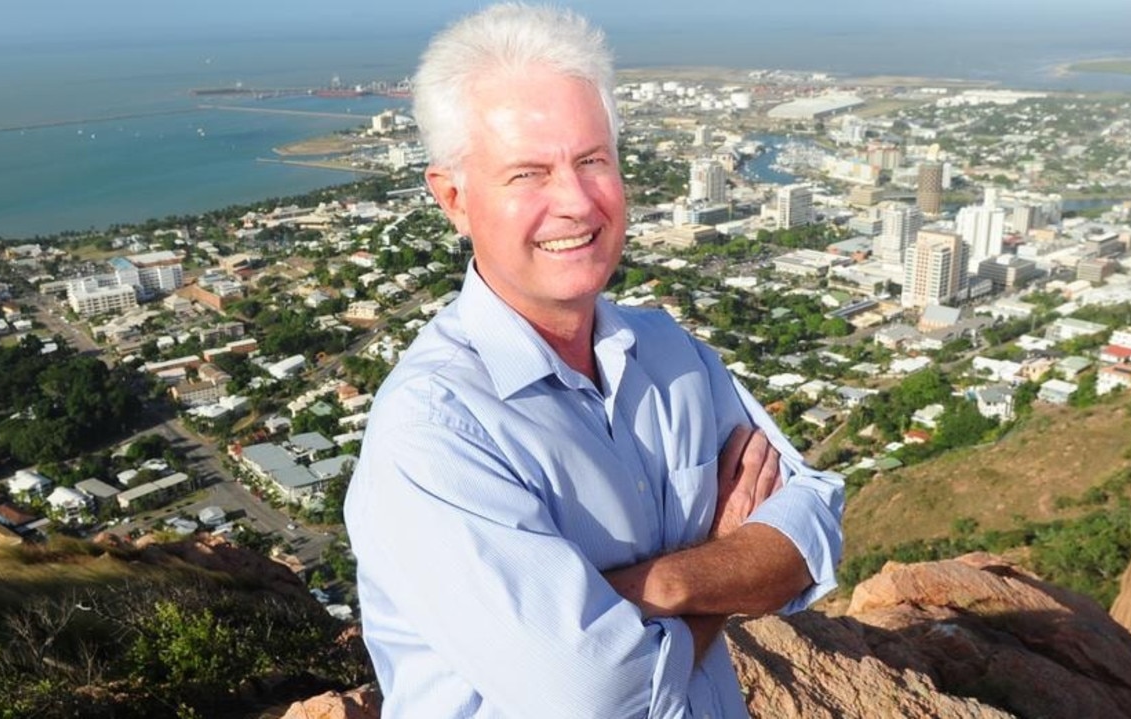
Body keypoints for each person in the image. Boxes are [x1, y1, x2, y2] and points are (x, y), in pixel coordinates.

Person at [345, 4, 844, 717]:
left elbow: (815, 522)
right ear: (453, 198)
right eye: (528, 173)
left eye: (592, 160)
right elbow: (600, 697)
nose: (575, 202)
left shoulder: (668, 353)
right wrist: (724, 566)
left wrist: (660, 587)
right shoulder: (434, 432)